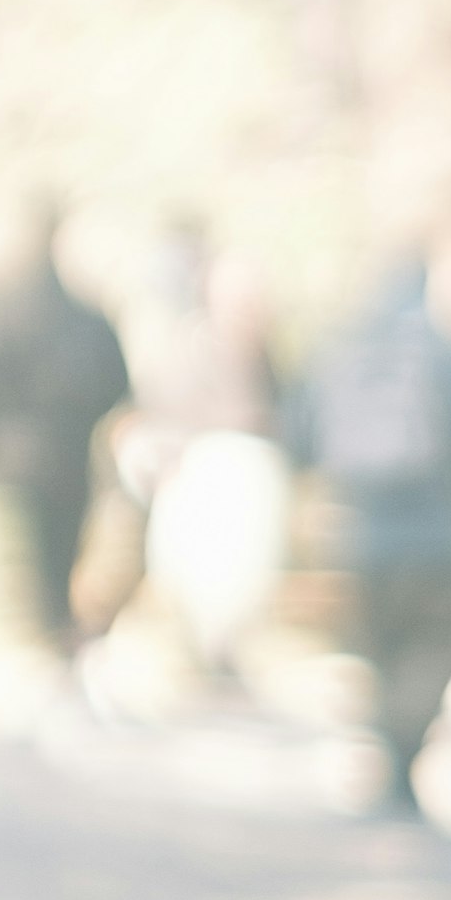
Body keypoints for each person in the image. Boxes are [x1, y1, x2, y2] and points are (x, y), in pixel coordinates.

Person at [290, 250, 451, 817]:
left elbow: (301, 431)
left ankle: (389, 755)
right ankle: (404, 757)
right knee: (430, 649)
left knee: (378, 651)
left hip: (361, 531)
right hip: (431, 533)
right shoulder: (440, 349)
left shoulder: (341, 348)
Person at [0, 209, 130, 656]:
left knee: (42, 554)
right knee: (47, 551)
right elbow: (115, 382)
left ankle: (50, 633)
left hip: (29, 456)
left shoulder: (0, 315)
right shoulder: (71, 317)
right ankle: (50, 633)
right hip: (59, 457)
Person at [117, 228, 289, 690]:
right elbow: (160, 412)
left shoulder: (266, 354)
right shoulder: (190, 347)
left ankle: (222, 655)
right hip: (206, 481)